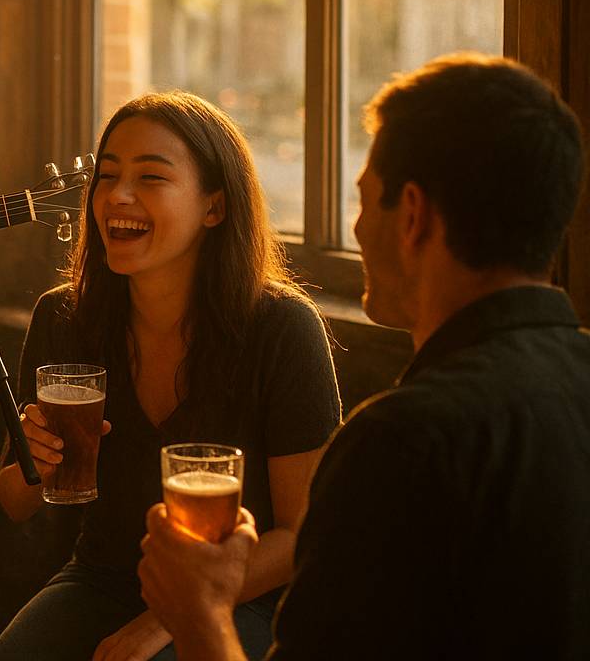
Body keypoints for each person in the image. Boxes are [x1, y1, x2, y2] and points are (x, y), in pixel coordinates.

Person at [137, 53, 590, 661]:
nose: (354, 228)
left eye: (364, 198)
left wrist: (198, 613)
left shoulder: (400, 442)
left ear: (412, 214)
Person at [0, 92, 340, 661]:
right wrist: (37, 461)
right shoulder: (64, 317)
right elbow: (13, 500)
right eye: (107, 176)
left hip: (245, 595)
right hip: (102, 578)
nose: (118, 196)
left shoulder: (282, 328)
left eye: (151, 177)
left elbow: (303, 536)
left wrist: (171, 619)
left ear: (214, 207)